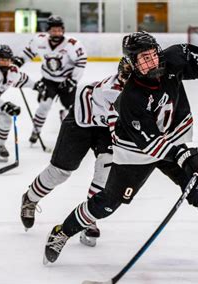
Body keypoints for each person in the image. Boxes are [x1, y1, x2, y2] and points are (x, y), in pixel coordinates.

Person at [43, 31, 198, 273]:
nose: (151, 62)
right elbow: (151, 145)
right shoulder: (130, 97)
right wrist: (186, 156)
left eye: (153, 55)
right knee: (107, 204)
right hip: (135, 151)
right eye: (143, 59)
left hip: (174, 138)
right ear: (133, 63)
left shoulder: (172, 58)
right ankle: (62, 232)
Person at [20, 58, 132, 247]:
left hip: (105, 126)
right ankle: (30, 198)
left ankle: (89, 216)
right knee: (60, 172)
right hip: (81, 121)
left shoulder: (139, 88)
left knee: (106, 165)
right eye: (126, 71)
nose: (129, 75)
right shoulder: (111, 90)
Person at [13, 15, 87, 144]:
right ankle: (36, 131)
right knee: (44, 105)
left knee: (70, 109)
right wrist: (17, 62)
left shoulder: (72, 44)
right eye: (53, 30)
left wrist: (73, 80)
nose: (57, 33)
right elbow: (27, 54)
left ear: (63, 30)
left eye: (59, 30)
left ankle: (68, 132)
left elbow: (81, 62)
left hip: (66, 81)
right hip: (48, 80)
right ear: (48, 31)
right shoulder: (39, 41)